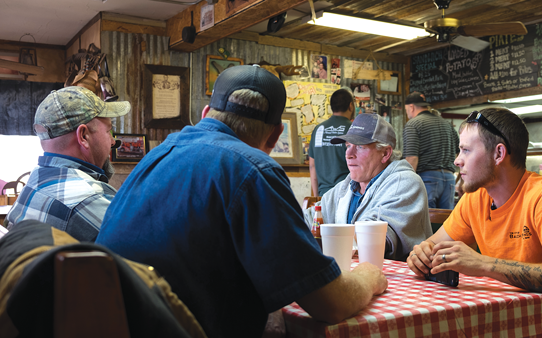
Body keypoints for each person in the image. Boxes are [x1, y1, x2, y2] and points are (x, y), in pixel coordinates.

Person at [95, 65, 387, 338]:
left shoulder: (157, 155)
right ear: (275, 135)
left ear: (206, 112)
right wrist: (369, 275)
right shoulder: (254, 169)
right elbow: (330, 304)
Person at [407, 107, 542, 335]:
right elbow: (432, 246)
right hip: (508, 320)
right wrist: (421, 255)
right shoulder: (475, 198)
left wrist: (483, 265)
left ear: (498, 154)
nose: (457, 160)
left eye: (466, 150)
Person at [5, 86, 130, 242]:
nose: (113, 141)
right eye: (108, 131)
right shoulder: (88, 200)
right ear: (83, 136)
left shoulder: (34, 182)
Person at [305, 113, 432, 261]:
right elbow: (310, 218)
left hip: (394, 280)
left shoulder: (405, 183)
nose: (349, 154)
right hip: (352, 274)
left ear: (385, 153)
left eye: (359, 146)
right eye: (348, 146)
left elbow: (371, 236)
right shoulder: (346, 187)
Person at [402, 91, 460, 209]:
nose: (407, 113)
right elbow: (461, 152)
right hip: (449, 179)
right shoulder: (447, 124)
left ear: (411, 107)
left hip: (428, 179)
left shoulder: (413, 124)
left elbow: (412, 158)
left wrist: (406, 187)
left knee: (426, 221)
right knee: (446, 222)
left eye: (406, 109)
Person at [308, 88, 354, 197]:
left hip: (323, 196)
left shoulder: (318, 129)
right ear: (350, 106)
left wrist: (316, 197)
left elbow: (312, 166)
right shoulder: (353, 129)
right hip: (347, 195)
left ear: (331, 107)